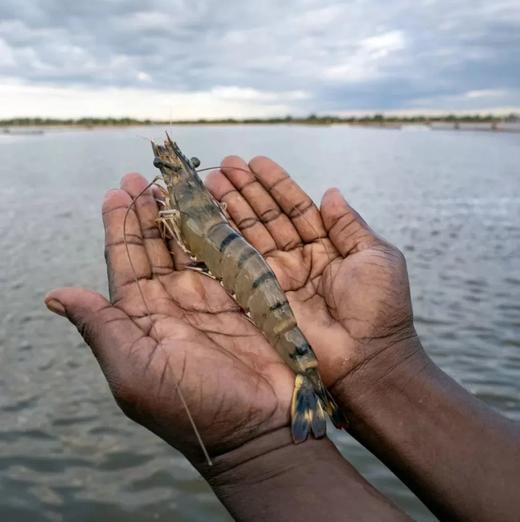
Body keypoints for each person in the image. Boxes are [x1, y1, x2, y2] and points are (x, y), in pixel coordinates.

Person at [45, 155, 520, 521]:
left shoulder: (176, 209)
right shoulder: (201, 205)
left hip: (244, 276)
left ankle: (309, 390)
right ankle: (312, 388)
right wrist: (382, 368)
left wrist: (249, 451)